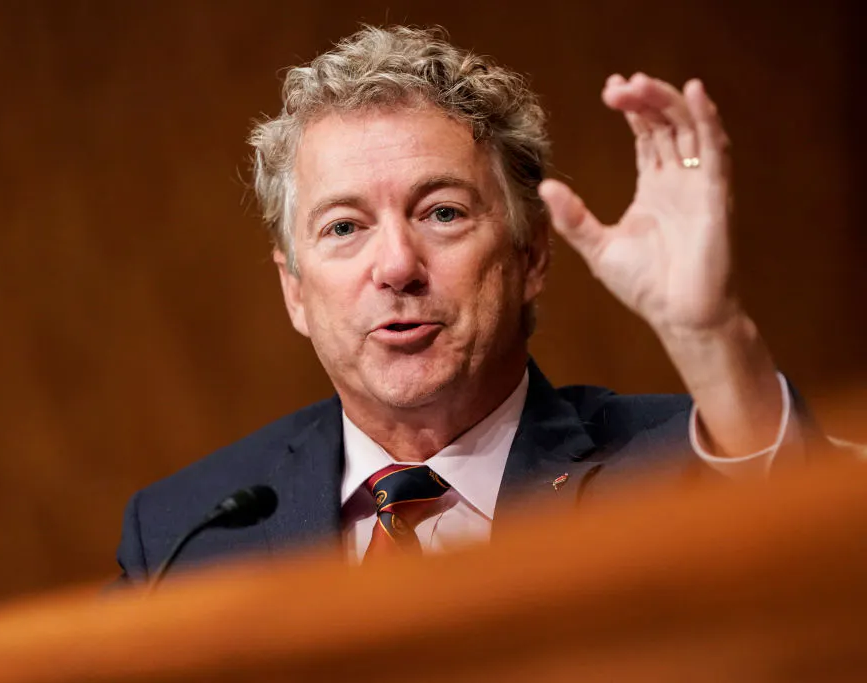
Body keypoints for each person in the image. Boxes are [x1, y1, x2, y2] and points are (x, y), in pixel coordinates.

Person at [116, 25, 815, 580]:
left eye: (443, 213)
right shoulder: (185, 535)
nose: (397, 266)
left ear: (531, 256)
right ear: (294, 290)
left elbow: (812, 558)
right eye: (345, 227)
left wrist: (708, 333)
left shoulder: (675, 464)